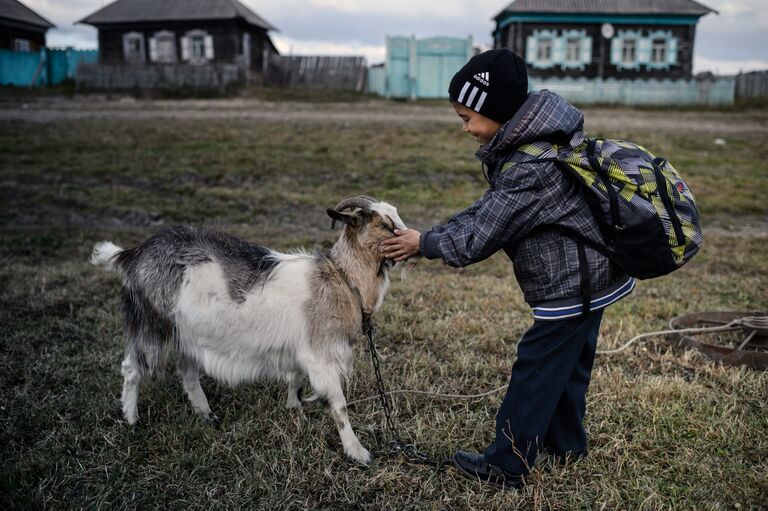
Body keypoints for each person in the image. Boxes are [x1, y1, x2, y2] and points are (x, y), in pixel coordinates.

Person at [380, 49, 635, 490]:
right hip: (592, 278)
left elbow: (482, 236)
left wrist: (425, 244)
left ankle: (506, 463)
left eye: (467, 117)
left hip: (571, 285)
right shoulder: (535, 145)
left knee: (535, 371)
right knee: (568, 366)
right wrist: (434, 233)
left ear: (494, 111)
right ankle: (567, 445)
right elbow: (487, 211)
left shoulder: (530, 167)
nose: (463, 128)